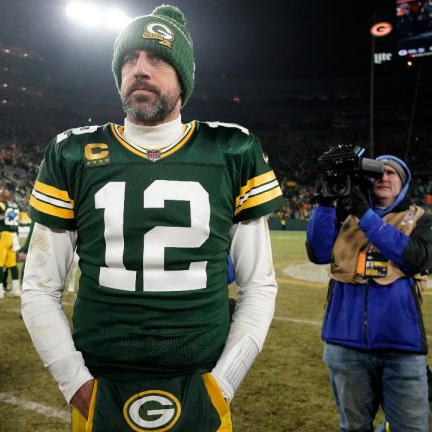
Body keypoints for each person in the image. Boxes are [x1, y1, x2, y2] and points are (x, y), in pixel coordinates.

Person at [21, 5, 283, 431]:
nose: (139, 68)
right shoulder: (72, 152)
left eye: (157, 58)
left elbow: (259, 285)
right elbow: (39, 285)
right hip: (101, 382)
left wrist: (224, 385)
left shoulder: (231, 149)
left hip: (201, 379)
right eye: (129, 59)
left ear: (184, 77)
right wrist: (75, 385)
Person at [306, 154, 432, 432]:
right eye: (378, 172)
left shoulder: (421, 218)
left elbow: (417, 257)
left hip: (401, 346)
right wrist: (323, 204)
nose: (384, 177)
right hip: (344, 344)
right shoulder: (344, 215)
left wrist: (366, 216)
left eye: (392, 173)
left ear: (403, 183)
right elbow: (318, 252)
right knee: (354, 428)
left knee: (411, 428)